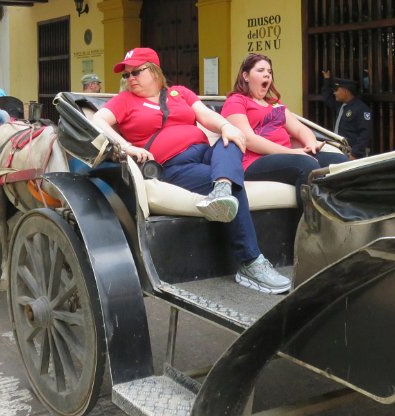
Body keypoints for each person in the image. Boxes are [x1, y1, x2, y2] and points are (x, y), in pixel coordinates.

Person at [90, 47, 291, 294]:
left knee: (230, 141)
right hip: (174, 164)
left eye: (136, 72)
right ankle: (250, 262)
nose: (130, 78)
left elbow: (206, 116)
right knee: (234, 184)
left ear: (154, 72)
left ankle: (222, 186)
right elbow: (97, 121)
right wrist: (127, 146)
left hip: (207, 152)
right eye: (127, 75)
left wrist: (227, 126)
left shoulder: (180, 93)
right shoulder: (124, 101)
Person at [223, 55, 349, 211]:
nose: (267, 74)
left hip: (287, 155)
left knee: (340, 161)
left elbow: (299, 128)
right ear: (246, 76)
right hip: (253, 161)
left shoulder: (274, 103)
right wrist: (292, 153)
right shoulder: (236, 101)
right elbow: (248, 139)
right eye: (260, 70)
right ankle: (310, 228)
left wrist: (310, 142)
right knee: (306, 164)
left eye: (269, 71)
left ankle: (341, 220)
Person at [320, 70, 372, 158]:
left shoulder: (361, 109)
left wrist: (355, 154)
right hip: (339, 150)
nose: (334, 93)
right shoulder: (340, 105)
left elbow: (365, 134)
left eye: (336, 90)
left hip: (352, 154)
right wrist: (327, 80)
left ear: (346, 91)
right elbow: (327, 97)